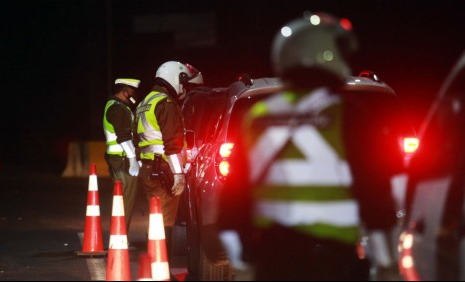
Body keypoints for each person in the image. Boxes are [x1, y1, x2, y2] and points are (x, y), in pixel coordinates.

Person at [217, 12, 398, 280]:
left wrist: (243, 262)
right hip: (335, 262)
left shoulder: (258, 117)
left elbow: (235, 197)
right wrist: (386, 261)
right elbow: (374, 193)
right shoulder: (348, 114)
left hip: (273, 261)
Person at [133, 61, 203, 258]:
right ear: (174, 77)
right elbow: (172, 143)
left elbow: (138, 139)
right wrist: (178, 174)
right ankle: (160, 266)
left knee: (155, 218)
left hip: (149, 168)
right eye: (183, 82)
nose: (184, 88)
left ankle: (155, 262)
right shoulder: (166, 103)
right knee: (165, 221)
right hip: (164, 169)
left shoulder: (145, 102)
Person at [103, 78, 142, 245]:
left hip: (117, 159)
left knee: (121, 198)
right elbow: (124, 137)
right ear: (125, 91)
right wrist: (133, 159)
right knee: (126, 199)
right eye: (133, 92)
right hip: (123, 161)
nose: (135, 96)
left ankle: (118, 237)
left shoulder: (113, 105)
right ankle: (120, 238)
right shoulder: (119, 109)